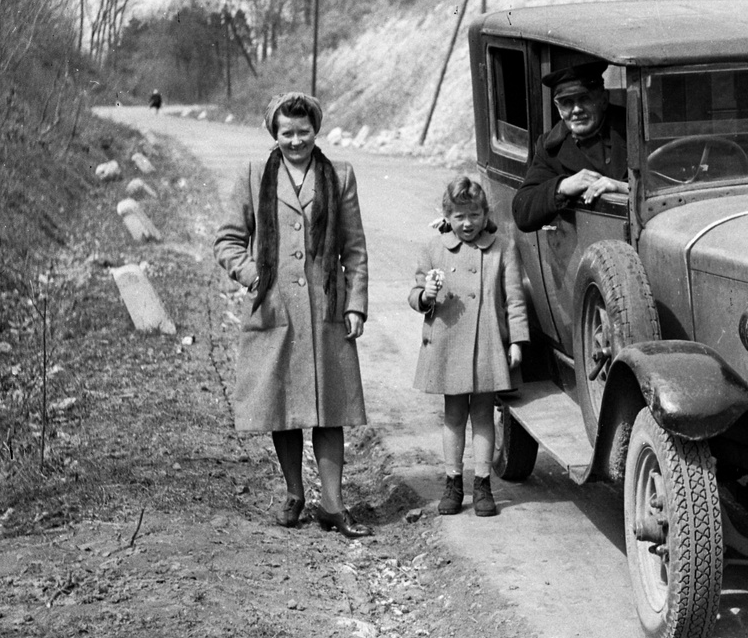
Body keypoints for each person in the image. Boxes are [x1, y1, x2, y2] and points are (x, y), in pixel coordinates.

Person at [214, 91, 372, 536]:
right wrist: (253, 276)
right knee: (281, 404)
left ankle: (334, 503)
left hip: (326, 309)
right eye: (287, 132)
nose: (296, 140)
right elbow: (226, 241)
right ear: (274, 133)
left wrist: (356, 303)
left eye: (304, 132)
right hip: (275, 307)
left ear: (316, 131)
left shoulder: (339, 176)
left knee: (330, 407)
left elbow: (355, 249)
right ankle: (294, 493)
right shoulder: (252, 175)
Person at [409, 177, 530, 517]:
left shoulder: (501, 246)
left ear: (484, 214)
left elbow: (515, 298)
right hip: (448, 343)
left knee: (483, 416)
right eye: (459, 216)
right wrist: (426, 295)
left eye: (474, 215)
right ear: (447, 215)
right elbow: (415, 293)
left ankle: (482, 484)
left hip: (488, 342)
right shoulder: (434, 248)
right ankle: (452, 482)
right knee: (453, 416)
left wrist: (517, 340)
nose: (467, 223)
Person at [511, 60, 629, 232]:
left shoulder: (632, 128)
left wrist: (623, 187)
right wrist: (562, 186)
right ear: (559, 109)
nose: (576, 110)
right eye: (567, 103)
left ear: (603, 100)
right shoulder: (551, 148)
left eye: (584, 99)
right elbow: (522, 211)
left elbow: (672, 181)